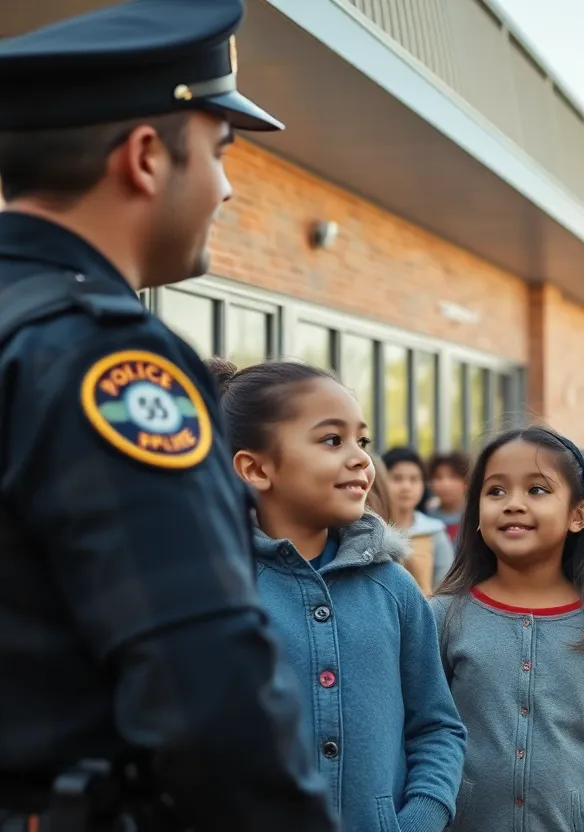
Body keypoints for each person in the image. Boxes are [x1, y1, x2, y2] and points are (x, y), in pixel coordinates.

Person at [0, 1, 338, 828]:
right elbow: (205, 680)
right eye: (220, 151)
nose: (226, 186)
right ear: (147, 157)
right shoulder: (105, 359)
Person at [209, 358, 467, 830]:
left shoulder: (394, 588)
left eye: (361, 441)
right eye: (332, 440)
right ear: (255, 468)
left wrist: (418, 819)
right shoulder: (215, 595)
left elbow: (437, 727)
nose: (361, 459)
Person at [431, 426, 584, 832]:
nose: (513, 504)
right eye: (495, 491)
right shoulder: (444, 616)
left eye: (536, 490)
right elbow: (418, 738)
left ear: (578, 515)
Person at [383, 445, 456, 591]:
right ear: (381, 482)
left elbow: (445, 590)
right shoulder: (371, 530)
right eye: (397, 478)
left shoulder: (434, 531)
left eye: (414, 479)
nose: (406, 487)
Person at [427, 450, 471, 544]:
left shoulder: (476, 517)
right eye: (438, 477)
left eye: (453, 477)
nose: (445, 484)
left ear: (466, 481)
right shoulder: (426, 518)